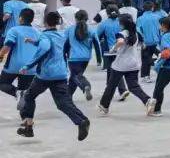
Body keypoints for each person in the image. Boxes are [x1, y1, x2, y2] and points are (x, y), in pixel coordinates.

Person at [15, 12, 91, 140]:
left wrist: (27, 66)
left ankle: (28, 128)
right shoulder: (61, 35)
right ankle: (82, 121)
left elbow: (44, 48)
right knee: (62, 103)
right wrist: (33, 42)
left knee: (29, 96)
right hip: (60, 73)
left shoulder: (44, 36)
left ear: (45, 22)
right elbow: (50, 44)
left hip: (46, 75)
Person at [97, 14, 151, 115]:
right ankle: (147, 100)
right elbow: (143, 45)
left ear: (122, 24)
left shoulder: (122, 33)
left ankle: (104, 106)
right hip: (134, 63)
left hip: (121, 64)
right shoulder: (136, 33)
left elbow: (121, 42)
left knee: (111, 85)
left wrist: (114, 48)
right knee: (133, 86)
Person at [0, 8, 39, 108]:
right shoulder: (38, 32)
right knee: (25, 93)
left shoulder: (14, 30)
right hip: (30, 67)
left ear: (20, 18)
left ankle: (16, 92)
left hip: (13, 65)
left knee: (2, 83)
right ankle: (27, 120)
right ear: (32, 19)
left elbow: (7, 46)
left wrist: (0, 55)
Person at [64, 9, 99, 102]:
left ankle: (85, 86)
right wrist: (99, 60)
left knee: (77, 76)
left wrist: (64, 56)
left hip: (73, 57)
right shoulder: (91, 30)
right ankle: (68, 97)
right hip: (86, 58)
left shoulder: (69, 29)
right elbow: (97, 45)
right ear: (87, 19)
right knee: (74, 77)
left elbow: (65, 44)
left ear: (75, 18)